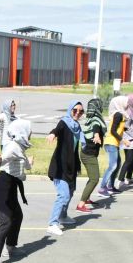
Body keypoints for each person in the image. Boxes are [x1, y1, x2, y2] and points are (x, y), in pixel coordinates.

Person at [0, 119, 32, 263]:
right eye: (29, 130)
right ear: (22, 132)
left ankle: (11, 247)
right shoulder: (13, 146)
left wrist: (28, 163)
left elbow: (25, 169)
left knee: (17, 216)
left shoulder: (20, 147)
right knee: (6, 221)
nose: (30, 133)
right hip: (2, 190)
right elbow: (2, 160)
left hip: (11, 188)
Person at [46, 101, 83, 236]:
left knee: (71, 191)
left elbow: (75, 148)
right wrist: (52, 134)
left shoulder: (77, 127)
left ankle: (62, 216)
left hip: (71, 166)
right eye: (75, 110)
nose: (77, 113)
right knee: (63, 195)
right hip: (60, 166)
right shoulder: (64, 123)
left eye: (80, 111)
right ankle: (52, 223)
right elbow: (57, 130)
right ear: (70, 110)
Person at [76, 98, 106, 212]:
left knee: (92, 178)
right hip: (89, 155)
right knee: (95, 179)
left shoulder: (90, 118)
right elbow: (96, 129)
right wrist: (97, 136)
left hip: (86, 153)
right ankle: (80, 205)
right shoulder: (96, 120)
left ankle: (86, 198)